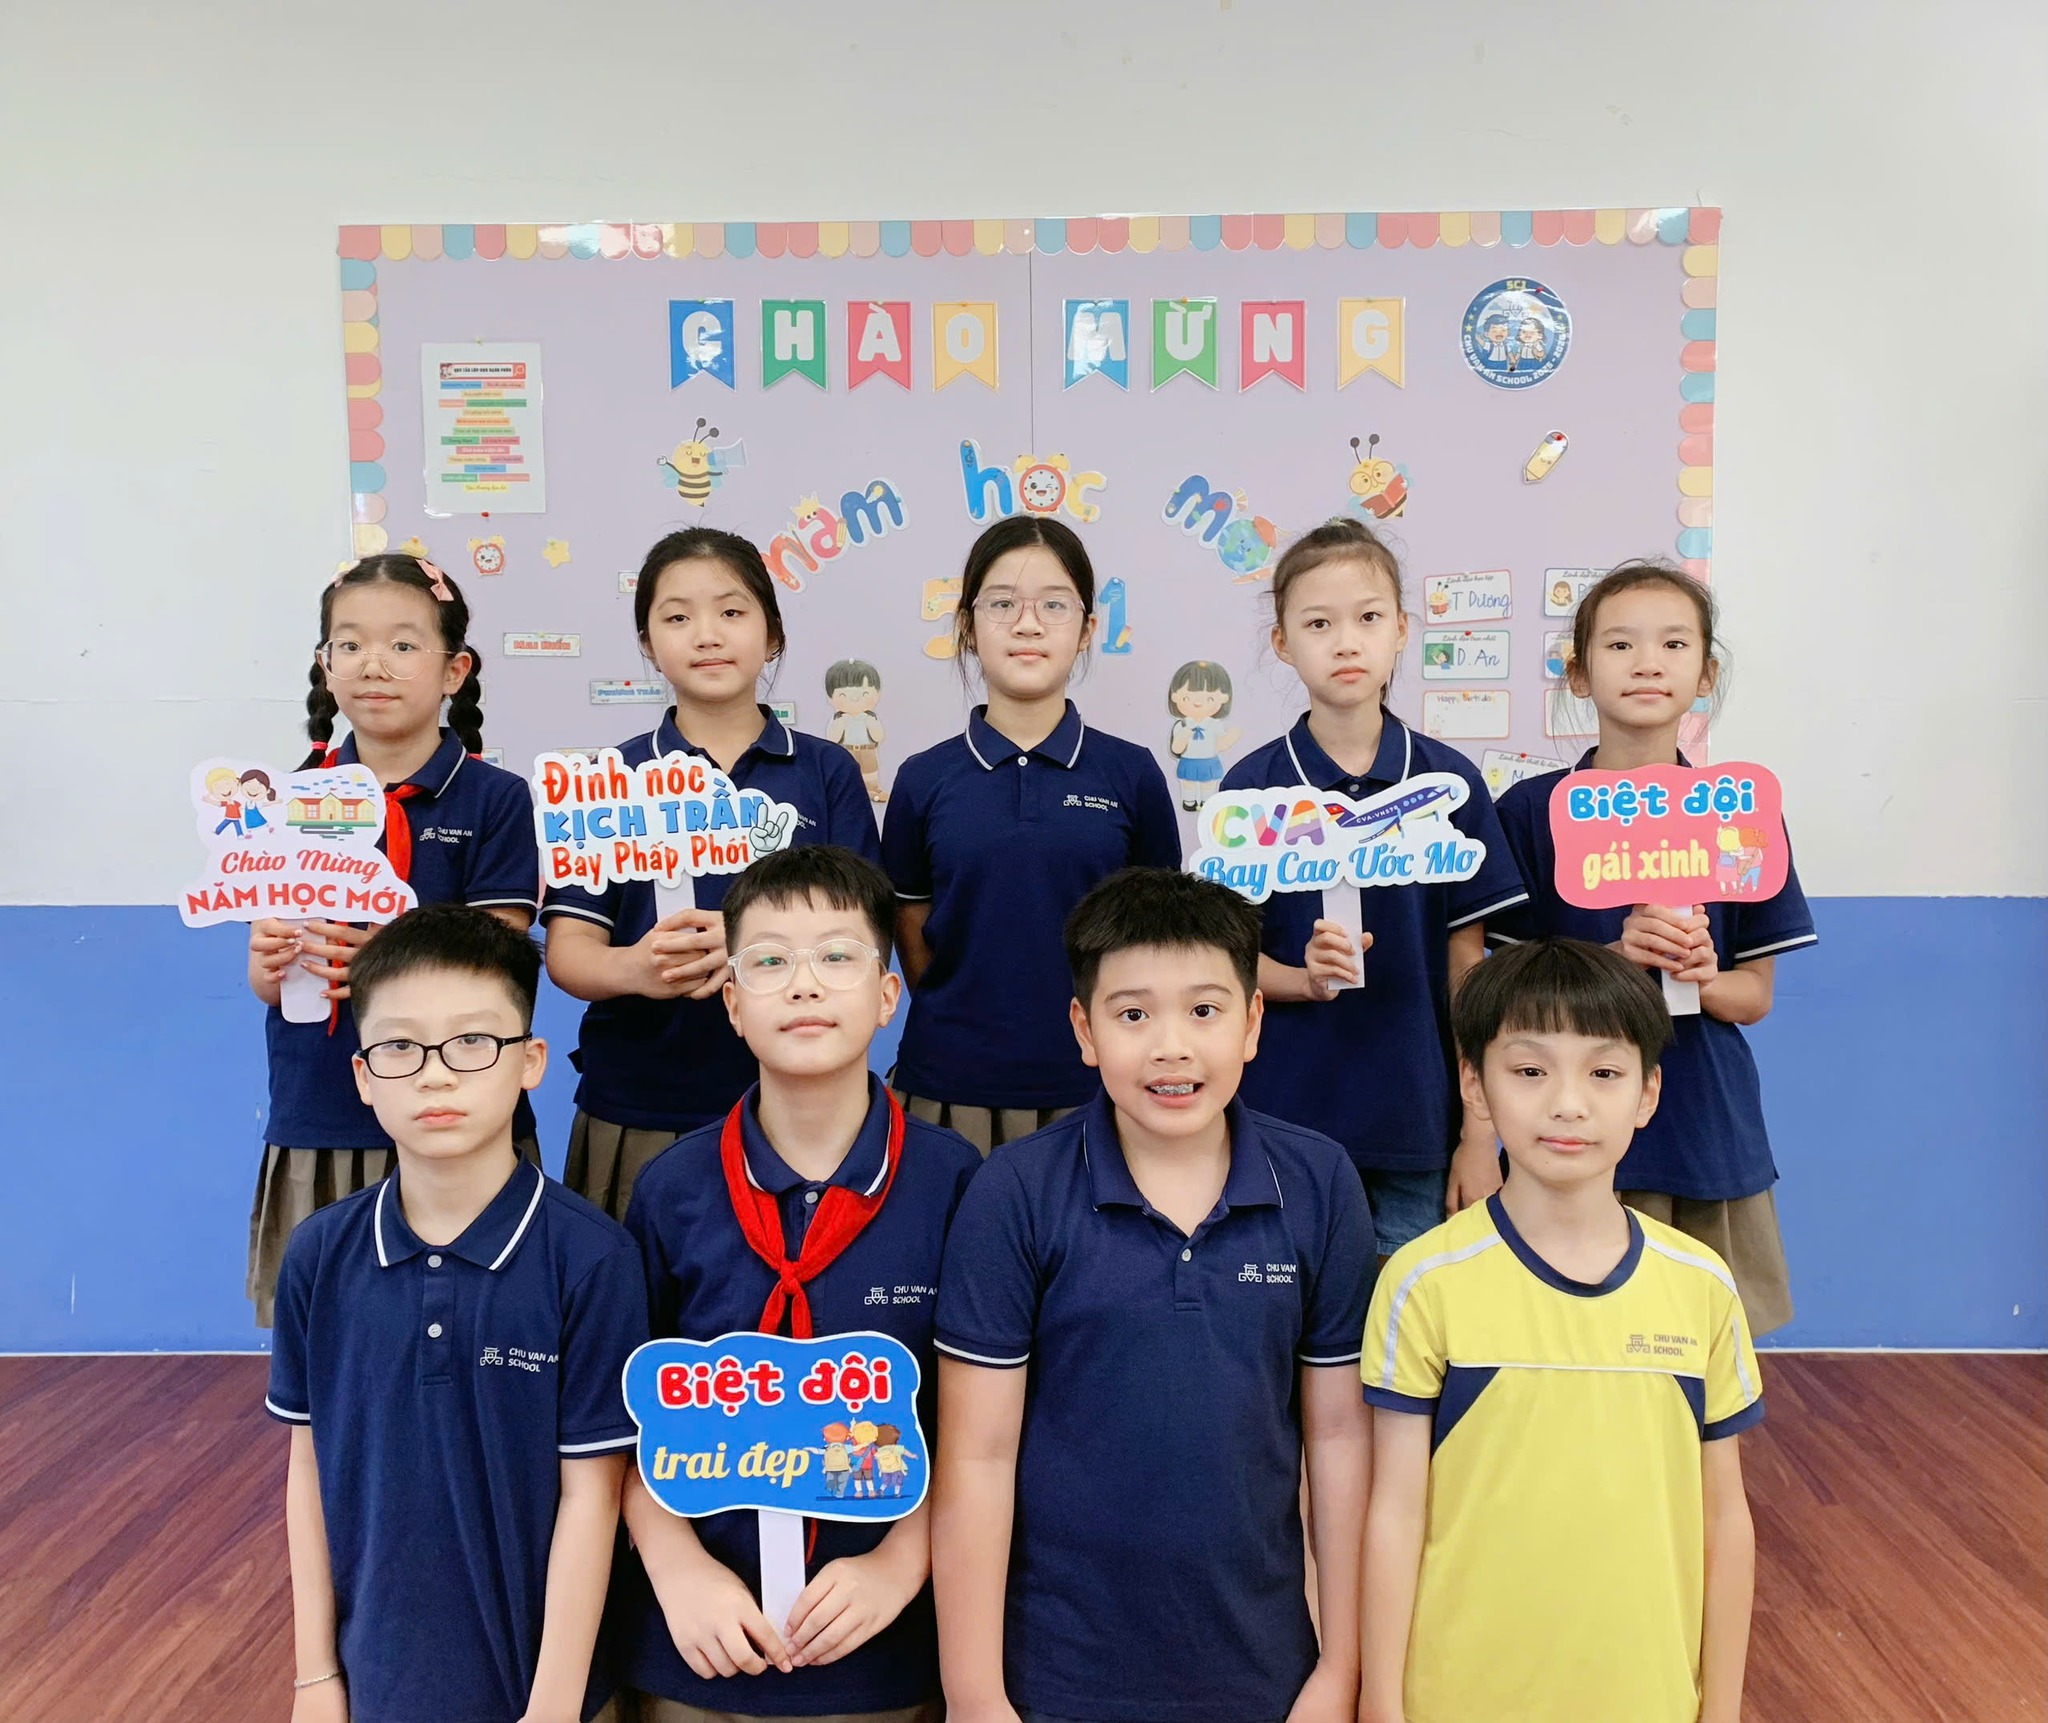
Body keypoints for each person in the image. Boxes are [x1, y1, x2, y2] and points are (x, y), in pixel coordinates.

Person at [932, 868, 1374, 1723]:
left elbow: (1339, 1437)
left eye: (1204, 1010)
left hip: (1267, 1674)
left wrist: (1339, 1670)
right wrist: (975, 1694)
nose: (1171, 1046)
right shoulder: (1015, 1190)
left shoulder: (1319, 1181)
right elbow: (978, 1456)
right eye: (1133, 1015)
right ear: (1085, 1029)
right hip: (1054, 1678)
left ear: (1252, 1022)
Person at [612, 845, 979, 1723]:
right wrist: (677, 1567)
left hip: (887, 1647)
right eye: (770, 960)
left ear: (887, 995)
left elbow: (984, 1430)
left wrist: (901, 1561)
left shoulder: (959, 1183)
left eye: (838, 956)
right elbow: (620, 1414)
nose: (805, 984)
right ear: (733, 1002)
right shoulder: (671, 1188)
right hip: (699, 1644)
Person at [1360, 936, 1761, 1723]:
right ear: (1474, 1084)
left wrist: (1721, 1707)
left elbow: (1725, 1519)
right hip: (1457, 1700)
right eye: (1530, 1070)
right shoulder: (1423, 1281)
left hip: (1647, 1700)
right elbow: (1394, 1514)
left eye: (1603, 1073)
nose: (1568, 1104)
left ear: (1647, 1091)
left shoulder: (1702, 1286)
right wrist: (1381, 1701)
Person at [267, 905, 648, 1723]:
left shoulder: (591, 1257)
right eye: (400, 1047)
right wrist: (314, 1675)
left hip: (543, 1694)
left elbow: (594, 1498)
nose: (435, 1075)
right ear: (363, 1074)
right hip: (374, 1690)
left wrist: (552, 1707)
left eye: (473, 1041)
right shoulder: (319, 1254)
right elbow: (308, 1468)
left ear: (530, 1061)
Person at [1488, 561, 1816, 1334]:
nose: (1646, 663)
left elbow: (1755, 996)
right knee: (1569, 1335)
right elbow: (1499, 993)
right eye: (1619, 644)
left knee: (1706, 1343)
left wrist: (1704, 977)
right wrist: (1610, 960)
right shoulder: (1531, 812)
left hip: (1705, 1122)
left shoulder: (1740, 812)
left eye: (1673, 644)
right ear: (1578, 673)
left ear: (1705, 674)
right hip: (1573, 1122)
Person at [543, 529, 882, 1220]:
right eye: (677, 617)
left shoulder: (825, 772)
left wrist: (752, 945)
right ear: (647, 642)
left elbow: (868, 930)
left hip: (802, 1103)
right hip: (641, 1102)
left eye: (731, 611)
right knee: (634, 1282)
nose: (707, 635)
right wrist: (637, 967)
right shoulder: (611, 778)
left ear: (772, 633)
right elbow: (569, 952)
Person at [1220, 519, 1528, 1261]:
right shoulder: (1251, 788)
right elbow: (1221, 966)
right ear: (1283, 643)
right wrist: (1302, 979)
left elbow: (1469, 972)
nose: (1346, 643)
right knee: (1287, 1311)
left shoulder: (1448, 783)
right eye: (1318, 624)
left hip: (1417, 1123)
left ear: (1401, 630)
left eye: (1367, 618)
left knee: (1407, 1314)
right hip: (1281, 1119)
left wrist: (1480, 1130)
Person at [246, 554, 540, 1324]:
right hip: (322, 1108)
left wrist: (387, 950)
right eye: (349, 644)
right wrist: (268, 961)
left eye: (403, 644)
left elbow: (505, 955)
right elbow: (269, 977)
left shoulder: (496, 799)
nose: (373, 664)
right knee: (336, 1327)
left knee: (482, 1318)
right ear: (325, 663)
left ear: (455, 669)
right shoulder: (288, 798)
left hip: (460, 1103)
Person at [883, 518, 1181, 1155]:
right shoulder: (922, 778)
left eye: (1053, 604)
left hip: (1100, 1082)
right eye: (1001, 604)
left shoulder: (1131, 773)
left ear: (1087, 629)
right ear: (968, 626)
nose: (1028, 624)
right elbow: (910, 920)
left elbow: (1159, 935)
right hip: (947, 1083)